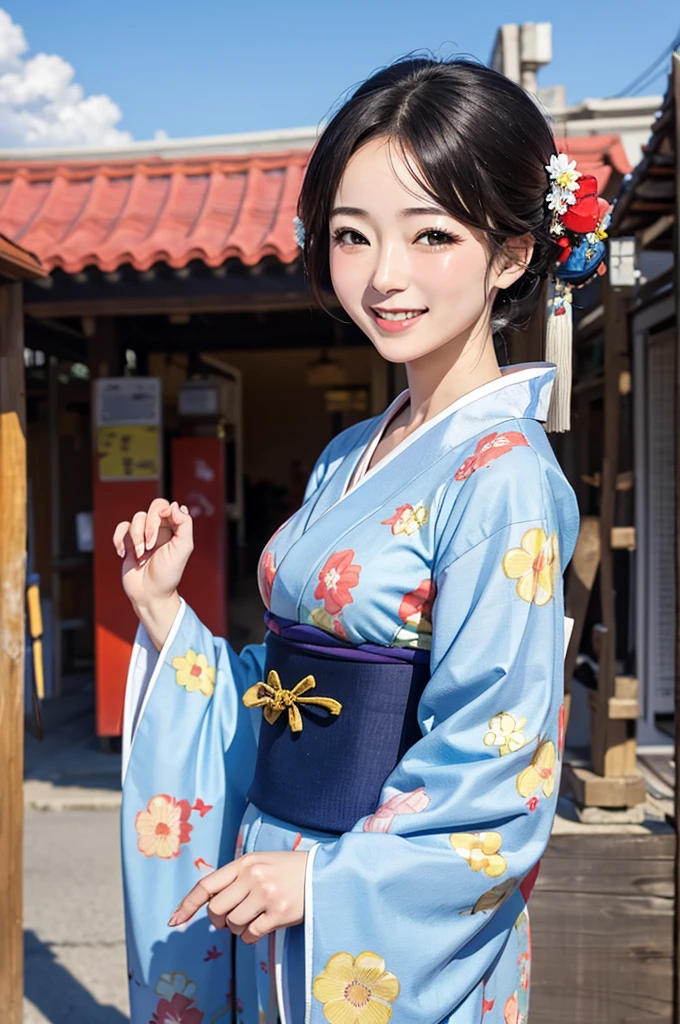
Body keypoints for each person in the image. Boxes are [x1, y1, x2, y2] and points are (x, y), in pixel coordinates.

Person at [115, 57, 584, 1024]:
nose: (385, 276)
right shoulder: (351, 451)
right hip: (281, 862)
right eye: (351, 236)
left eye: (432, 235)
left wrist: (329, 881)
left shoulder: (506, 478)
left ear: (511, 253)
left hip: (365, 903)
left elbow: (496, 754)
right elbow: (289, 682)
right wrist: (166, 609)